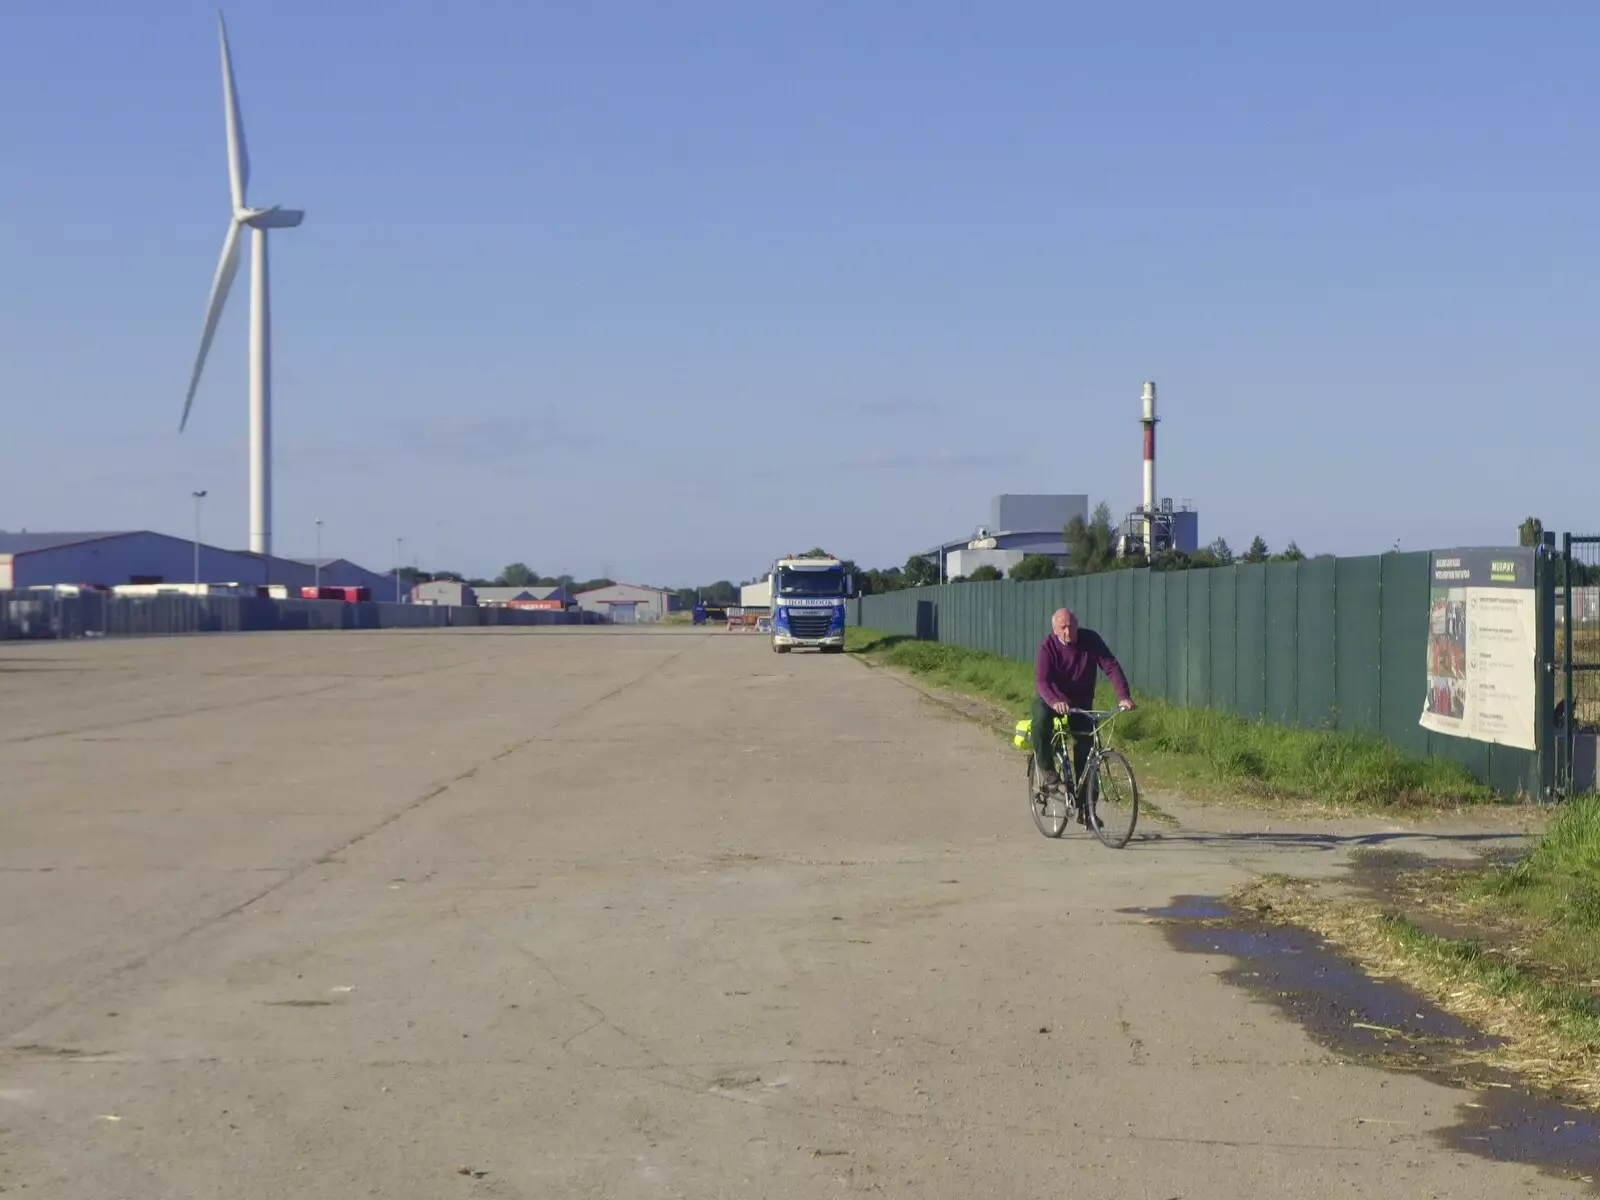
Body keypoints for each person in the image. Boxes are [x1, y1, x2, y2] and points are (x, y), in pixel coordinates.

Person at [1033, 608, 1134, 795]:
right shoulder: (1047, 647)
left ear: (1077, 625)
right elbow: (1042, 681)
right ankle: (1047, 770)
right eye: (1063, 627)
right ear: (1055, 630)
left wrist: (1123, 696)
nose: (1068, 631)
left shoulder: (1090, 640)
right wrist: (1055, 702)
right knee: (1040, 722)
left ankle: (1087, 811)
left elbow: (1110, 665)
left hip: (1080, 702)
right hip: (1052, 698)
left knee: (1087, 752)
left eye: (1071, 626)